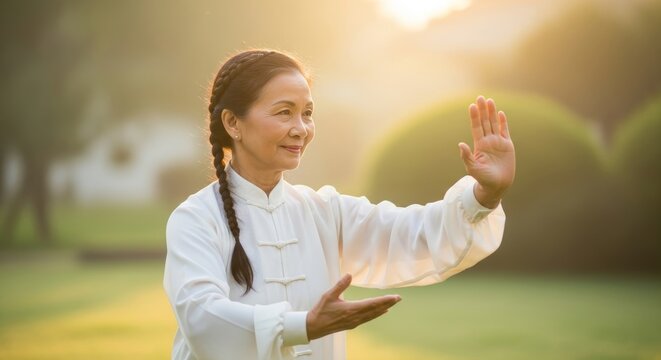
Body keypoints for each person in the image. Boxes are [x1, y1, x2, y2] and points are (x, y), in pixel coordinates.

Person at [163, 49, 515, 360]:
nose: (301, 128)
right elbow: (202, 317)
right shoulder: (196, 219)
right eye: (284, 112)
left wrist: (484, 195)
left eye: (307, 113)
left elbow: (412, 234)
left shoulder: (325, 211)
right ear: (232, 123)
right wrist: (303, 326)